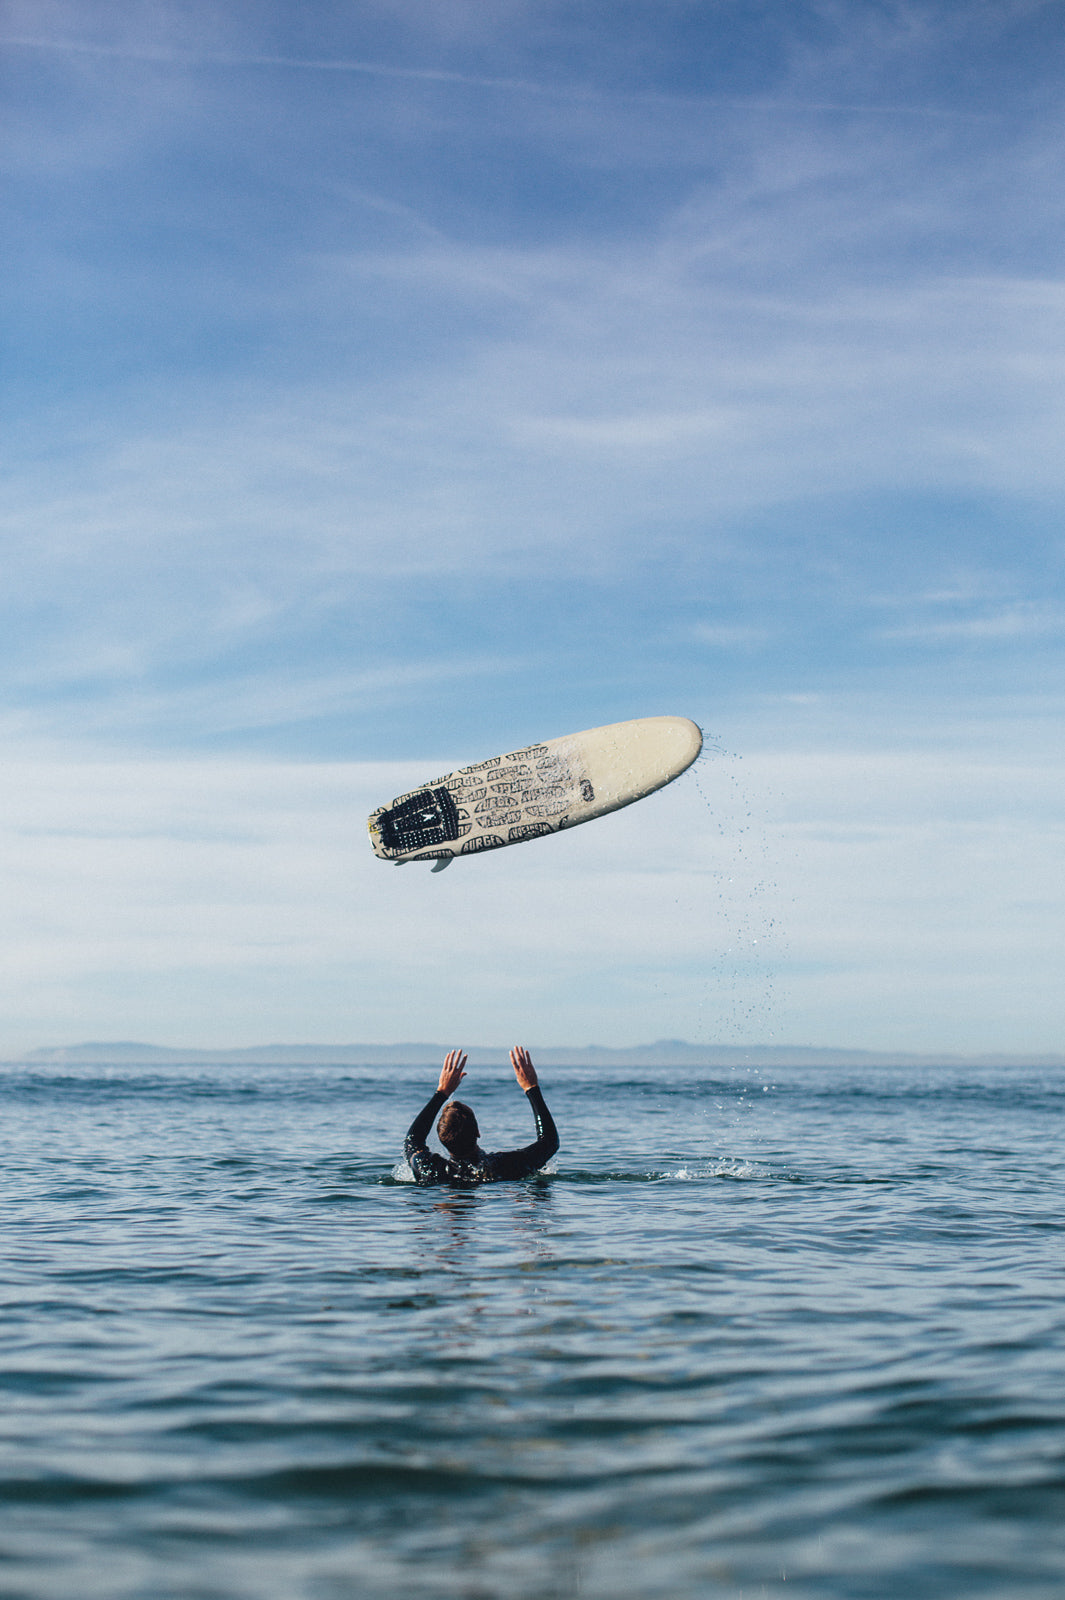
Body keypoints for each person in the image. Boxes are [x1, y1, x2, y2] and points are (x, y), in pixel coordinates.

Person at [404, 1046, 558, 1186]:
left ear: (441, 1138)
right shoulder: (504, 1165)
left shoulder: (430, 1169)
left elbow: (412, 1141)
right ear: (478, 1132)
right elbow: (550, 1142)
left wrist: (441, 1093)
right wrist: (531, 1088)